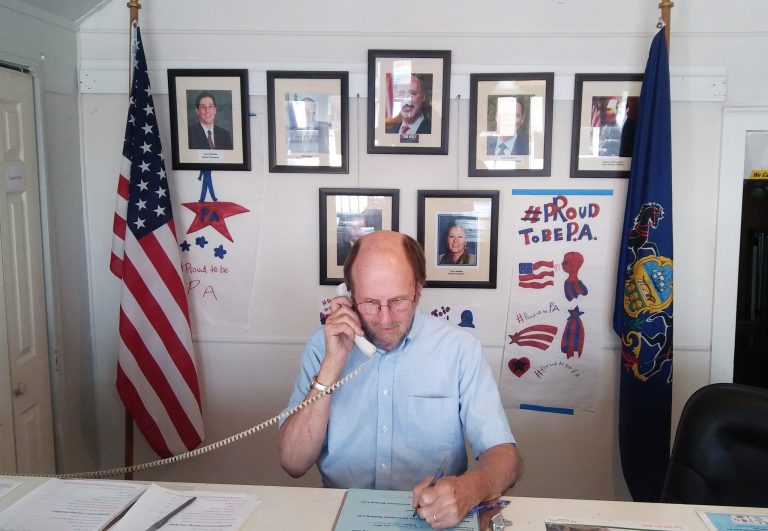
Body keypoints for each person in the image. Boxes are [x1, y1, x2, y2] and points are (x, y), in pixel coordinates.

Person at [279, 231, 519, 529]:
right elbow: (293, 462)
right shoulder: (322, 347)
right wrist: (332, 363)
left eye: (397, 301)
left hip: (432, 520)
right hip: (342, 517)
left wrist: (469, 489)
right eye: (369, 302)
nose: (384, 318)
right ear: (349, 295)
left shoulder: (459, 349)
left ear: (418, 289)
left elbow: (505, 457)